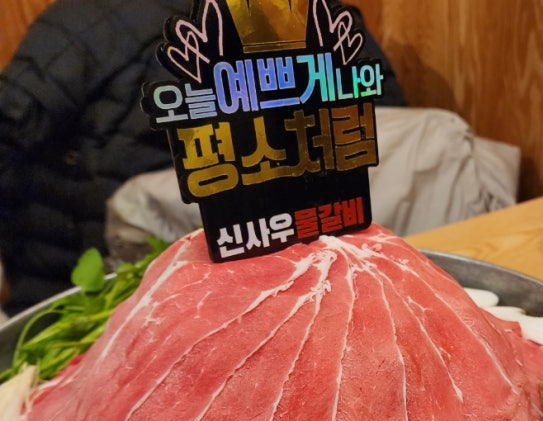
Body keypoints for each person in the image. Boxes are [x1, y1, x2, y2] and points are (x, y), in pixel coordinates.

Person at [0, 0, 406, 316]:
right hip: (88, 300)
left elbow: (387, 140)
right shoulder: (94, 23)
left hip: (300, 285)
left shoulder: (318, 16)